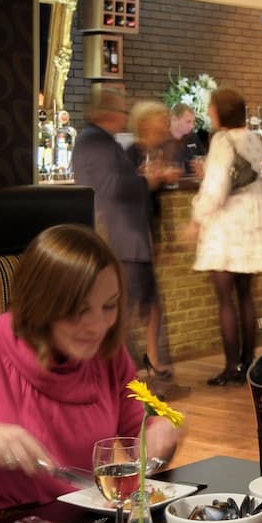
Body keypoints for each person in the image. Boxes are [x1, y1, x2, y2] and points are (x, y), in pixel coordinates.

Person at [0, 224, 180, 515]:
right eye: (79, 310)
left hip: (81, 521)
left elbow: (141, 434)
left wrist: (161, 433)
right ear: (38, 303)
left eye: (109, 306)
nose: (98, 326)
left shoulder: (109, 356)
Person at [73, 89, 185, 398]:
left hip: (130, 239)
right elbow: (112, 187)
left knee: (143, 308)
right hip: (122, 239)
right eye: (121, 112)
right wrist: (149, 180)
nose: (124, 117)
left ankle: (144, 372)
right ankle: (127, 379)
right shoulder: (96, 142)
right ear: (108, 114)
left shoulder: (100, 141)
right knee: (122, 313)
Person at [187, 88, 262, 386]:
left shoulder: (222, 140)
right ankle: (248, 362)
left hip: (228, 225)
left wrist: (196, 218)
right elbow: (245, 175)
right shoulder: (253, 138)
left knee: (225, 298)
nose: (209, 111)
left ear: (221, 111)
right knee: (245, 295)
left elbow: (216, 188)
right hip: (253, 222)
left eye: (212, 107)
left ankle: (231, 367)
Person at [167, 102, 207, 176]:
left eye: (193, 122)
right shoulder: (162, 139)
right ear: (174, 119)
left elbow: (203, 157)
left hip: (192, 180)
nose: (192, 126)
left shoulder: (193, 137)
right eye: (188, 122)